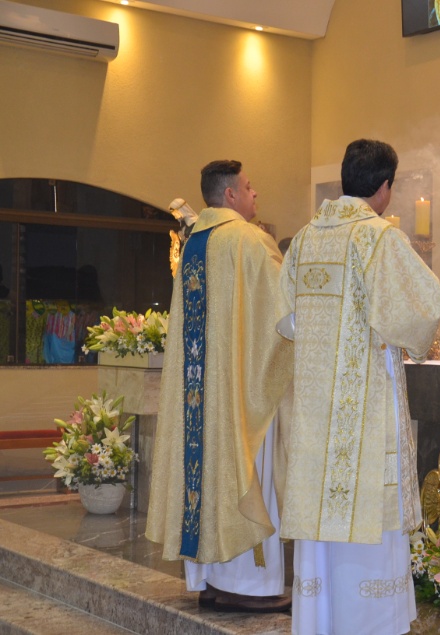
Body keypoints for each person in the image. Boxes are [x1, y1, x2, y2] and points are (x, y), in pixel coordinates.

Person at [279, 139, 440, 635]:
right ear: (385, 187)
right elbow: (421, 313)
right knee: (368, 516)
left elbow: (286, 320)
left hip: (313, 417)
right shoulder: (379, 239)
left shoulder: (305, 239)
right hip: (364, 412)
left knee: (323, 526)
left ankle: (321, 622)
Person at [145, 160, 293, 612]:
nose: (255, 194)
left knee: (202, 478)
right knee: (245, 474)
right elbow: (285, 314)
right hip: (238, 392)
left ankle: (209, 580)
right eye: (249, 187)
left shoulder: (193, 244)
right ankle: (249, 587)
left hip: (198, 393)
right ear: (230, 195)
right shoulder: (250, 241)